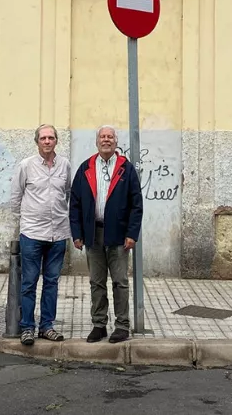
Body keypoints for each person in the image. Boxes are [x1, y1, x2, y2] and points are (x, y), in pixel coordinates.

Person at [70, 125, 143, 343]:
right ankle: (99, 325)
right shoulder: (86, 168)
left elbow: (136, 204)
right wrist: (77, 233)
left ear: (116, 141)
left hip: (119, 236)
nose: (106, 140)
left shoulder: (126, 169)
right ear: (97, 141)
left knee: (120, 282)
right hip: (93, 234)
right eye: (102, 136)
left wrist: (132, 234)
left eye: (110, 137)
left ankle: (122, 326)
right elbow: (75, 203)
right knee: (96, 282)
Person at [8, 124, 72, 345]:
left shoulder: (65, 165)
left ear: (56, 141)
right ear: (37, 141)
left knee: (51, 282)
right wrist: (26, 221)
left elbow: (67, 193)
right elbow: (15, 198)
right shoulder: (26, 166)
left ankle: (47, 327)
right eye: (43, 138)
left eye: (51, 138)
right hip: (33, 234)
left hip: (58, 234)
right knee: (29, 283)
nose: (47, 141)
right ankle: (27, 327)